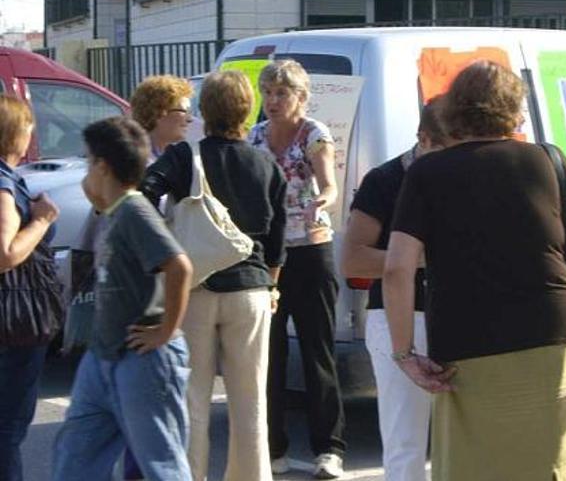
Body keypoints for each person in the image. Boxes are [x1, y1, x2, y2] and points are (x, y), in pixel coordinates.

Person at [384, 60, 566, 481]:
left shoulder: (427, 172)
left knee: (477, 465)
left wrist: (404, 353)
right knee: (553, 462)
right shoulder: (549, 160)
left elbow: (397, 268)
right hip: (554, 333)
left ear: (454, 110)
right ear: (514, 109)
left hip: (467, 338)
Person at [141, 70, 287, 481]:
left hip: (196, 286)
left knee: (193, 399)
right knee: (250, 401)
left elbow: (145, 192)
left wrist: (163, 250)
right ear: (247, 110)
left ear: (204, 110)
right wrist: (272, 283)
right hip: (253, 289)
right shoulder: (266, 164)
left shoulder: (185, 155)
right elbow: (277, 239)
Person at [52, 117, 193, 480]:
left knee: (162, 466)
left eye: (88, 161)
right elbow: (94, 192)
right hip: (103, 357)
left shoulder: (134, 210)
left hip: (143, 359)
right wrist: (94, 179)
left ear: (103, 165)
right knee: (75, 456)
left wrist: (164, 331)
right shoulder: (113, 210)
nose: (85, 171)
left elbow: (179, 267)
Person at [339, 97, 447, 481]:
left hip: (456, 315)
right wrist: (418, 258)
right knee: (406, 443)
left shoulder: (460, 176)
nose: (455, 157)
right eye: (446, 146)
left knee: (460, 441)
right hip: (398, 315)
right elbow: (352, 260)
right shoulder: (385, 180)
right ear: (423, 138)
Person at [247, 60, 346, 479]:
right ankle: (273, 448)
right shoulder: (255, 135)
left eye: (281, 93)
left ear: (301, 97)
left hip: (310, 251)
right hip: (268, 255)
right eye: (268, 92)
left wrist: (322, 201)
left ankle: (329, 449)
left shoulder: (314, 133)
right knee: (268, 354)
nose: (272, 101)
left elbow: (330, 186)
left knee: (316, 349)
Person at [123, 73, 194, 481]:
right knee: (148, 412)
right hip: (147, 294)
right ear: (159, 114)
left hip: (152, 289)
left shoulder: (168, 158)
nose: (188, 118)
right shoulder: (144, 164)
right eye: (183, 111)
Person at [0, 95, 60, 481]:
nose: (32, 133)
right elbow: (5, 254)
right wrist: (41, 222)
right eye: (28, 127)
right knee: (7, 430)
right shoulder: (4, 184)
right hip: (13, 323)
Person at [130, 75, 194, 158]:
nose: (190, 119)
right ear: (158, 112)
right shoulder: (132, 158)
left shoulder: (176, 156)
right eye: (184, 111)